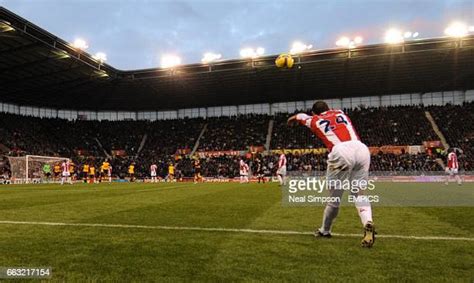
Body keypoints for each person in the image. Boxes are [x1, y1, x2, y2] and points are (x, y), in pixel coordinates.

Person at [287, 100, 375, 248]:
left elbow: (300, 117)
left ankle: (324, 230)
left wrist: (291, 119)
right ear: (329, 108)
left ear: (314, 113)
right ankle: (367, 222)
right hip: (362, 149)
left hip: (340, 151)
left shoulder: (314, 120)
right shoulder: (340, 113)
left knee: (334, 197)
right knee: (359, 194)